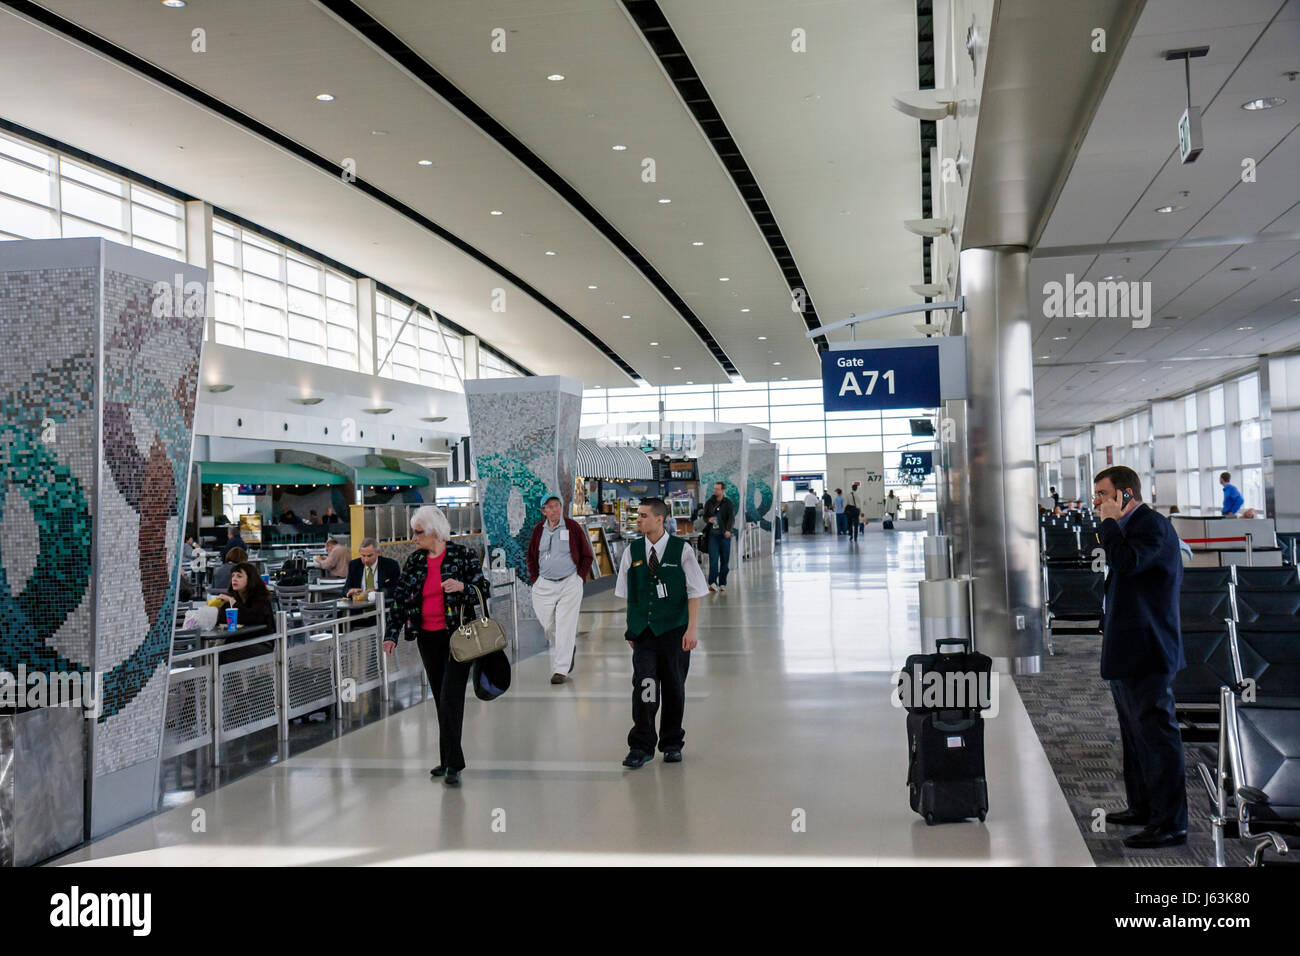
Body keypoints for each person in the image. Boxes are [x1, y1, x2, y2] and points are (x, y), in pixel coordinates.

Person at [1092, 466, 1187, 849]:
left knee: (1157, 738)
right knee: (1134, 736)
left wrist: (1110, 525)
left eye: (1103, 494)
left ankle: (1171, 823)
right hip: (1129, 650)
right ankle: (1143, 807)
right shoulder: (1133, 526)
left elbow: (1127, 563)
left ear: (1125, 494)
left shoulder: (1152, 526)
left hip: (1149, 650)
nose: (1097, 501)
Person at [383, 505, 490, 787]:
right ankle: (446, 759)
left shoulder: (461, 555)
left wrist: (462, 587)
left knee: (450, 698)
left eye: (418, 533)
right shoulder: (415, 561)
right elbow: (401, 598)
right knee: (440, 697)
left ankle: (454, 763)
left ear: (434, 532)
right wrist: (391, 633)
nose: (414, 538)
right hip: (427, 638)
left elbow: (483, 588)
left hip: (458, 636)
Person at [615, 498, 707, 768]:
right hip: (644, 633)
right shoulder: (632, 552)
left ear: (660, 519)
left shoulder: (682, 550)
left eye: (643, 515)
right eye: (637, 515)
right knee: (645, 686)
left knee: (674, 687)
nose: (638, 520)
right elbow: (628, 594)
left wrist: (692, 629)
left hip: (675, 632)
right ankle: (641, 745)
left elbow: (695, 592)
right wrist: (631, 629)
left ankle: (671, 743)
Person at [527, 493, 594, 684]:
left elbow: (587, 555)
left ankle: (561, 669)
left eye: (557, 506)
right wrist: (535, 579)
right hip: (544, 584)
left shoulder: (572, 527)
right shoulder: (538, 530)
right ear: (544, 511)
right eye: (550, 507)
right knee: (549, 625)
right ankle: (567, 646)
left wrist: (579, 578)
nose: (555, 509)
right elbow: (531, 557)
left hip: (569, 582)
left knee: (565, 624)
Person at [701, 481, 735, 592]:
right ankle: (712, 583)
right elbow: (705, 516)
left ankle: (722, 583)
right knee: (713, 560)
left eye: (717, 489)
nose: (715, 491)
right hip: (713, 536)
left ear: (722, 490)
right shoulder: (709, 502)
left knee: (725, 561)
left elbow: (731, 518)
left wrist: (729, 530)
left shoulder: (728, 503)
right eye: (714, 489)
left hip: (725, 536)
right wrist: (708, 519)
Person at [345, 536, 401, 601]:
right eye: (363, 555)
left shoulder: (390, 565)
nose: (366, 560)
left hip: (383, 606)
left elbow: (397, 589)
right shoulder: (354, 565)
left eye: (369, 556)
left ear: (378, 553)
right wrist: (350, 591)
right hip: (359, 607)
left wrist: (376, 592)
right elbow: (345, 589)